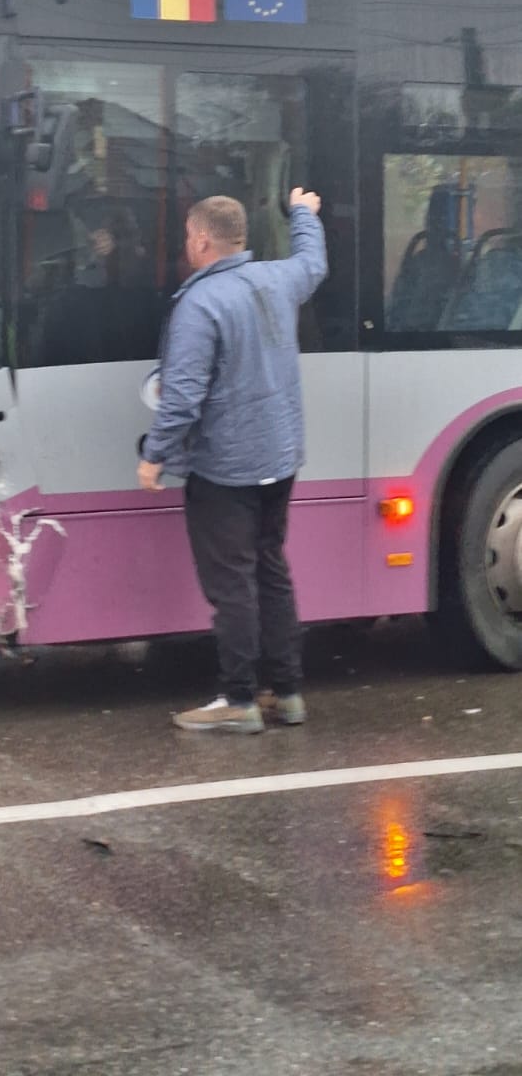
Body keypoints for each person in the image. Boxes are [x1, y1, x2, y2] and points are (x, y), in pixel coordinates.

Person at [137, 189, 327, 735]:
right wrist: (304, 216)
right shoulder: (277, 279)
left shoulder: (201, 303)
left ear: (200, 240)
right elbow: (313, 263)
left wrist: (155, 457)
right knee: (270, 567)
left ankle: (239, 699)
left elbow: (183, 397)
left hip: (227, 468)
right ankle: (286, 693)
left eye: (187, 239)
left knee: (233, 583)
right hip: (281, 457)